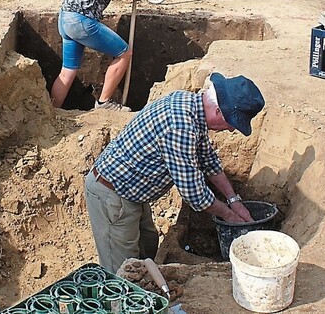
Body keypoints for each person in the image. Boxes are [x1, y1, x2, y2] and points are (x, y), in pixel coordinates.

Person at [84, 72, 265, 272]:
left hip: (133, 192)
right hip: (111, 194)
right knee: (122, 271)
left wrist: (234, 200)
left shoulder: (193, 108)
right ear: (218, 111)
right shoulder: (179, 126)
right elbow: (194, 194)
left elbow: (209, 160)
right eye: (232, 123)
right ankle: (117, 301)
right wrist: (230, 218)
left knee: (148, 248)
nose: (231, 130)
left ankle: (146, 291)